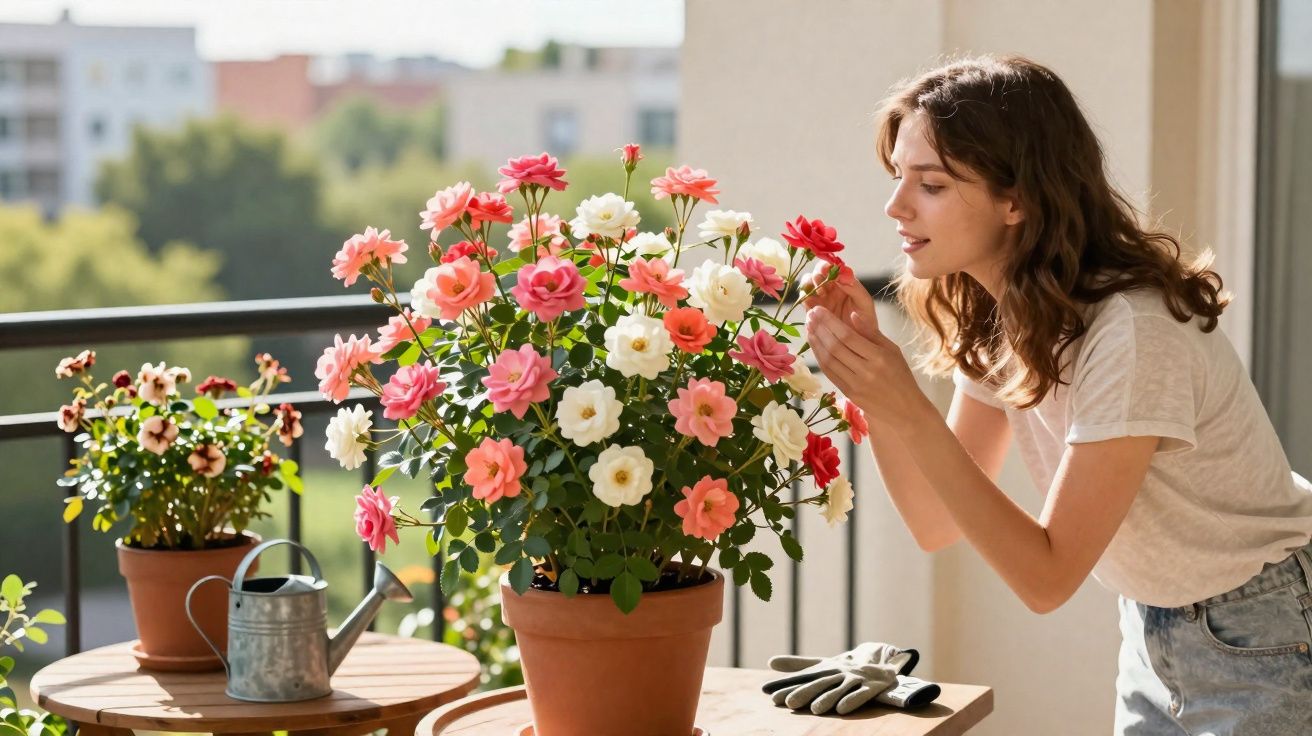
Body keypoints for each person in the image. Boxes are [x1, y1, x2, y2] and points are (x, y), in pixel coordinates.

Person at [802, 54, 1312, 735]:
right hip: (1153, 629)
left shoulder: (1133, 332)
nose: (895, 206)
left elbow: (1047, 579)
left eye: (931, 184)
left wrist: (907, 405)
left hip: (1266, 630)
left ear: (1016, 199)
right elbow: (934, 522)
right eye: (898, 176)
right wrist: (873, 387)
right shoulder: (1007, 314)